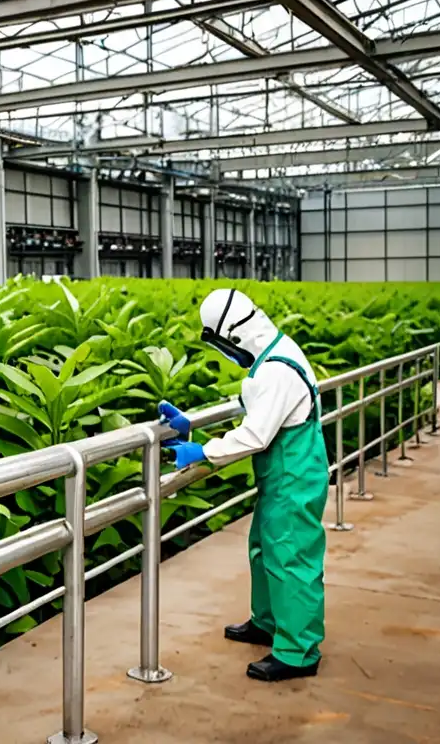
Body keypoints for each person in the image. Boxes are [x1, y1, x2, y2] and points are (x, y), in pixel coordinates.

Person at [158, 287, 328, 683]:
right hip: (284, 473)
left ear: (235, 337)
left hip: (294, 475)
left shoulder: (277, 370)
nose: (230, 357)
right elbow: (253, 405)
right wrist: (194, 423)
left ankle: (298, 651)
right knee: (264, 548)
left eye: (225, 348)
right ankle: (267, 622)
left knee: (291, 557)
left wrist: (202, 452)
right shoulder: (273, 354)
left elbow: (255, 435)